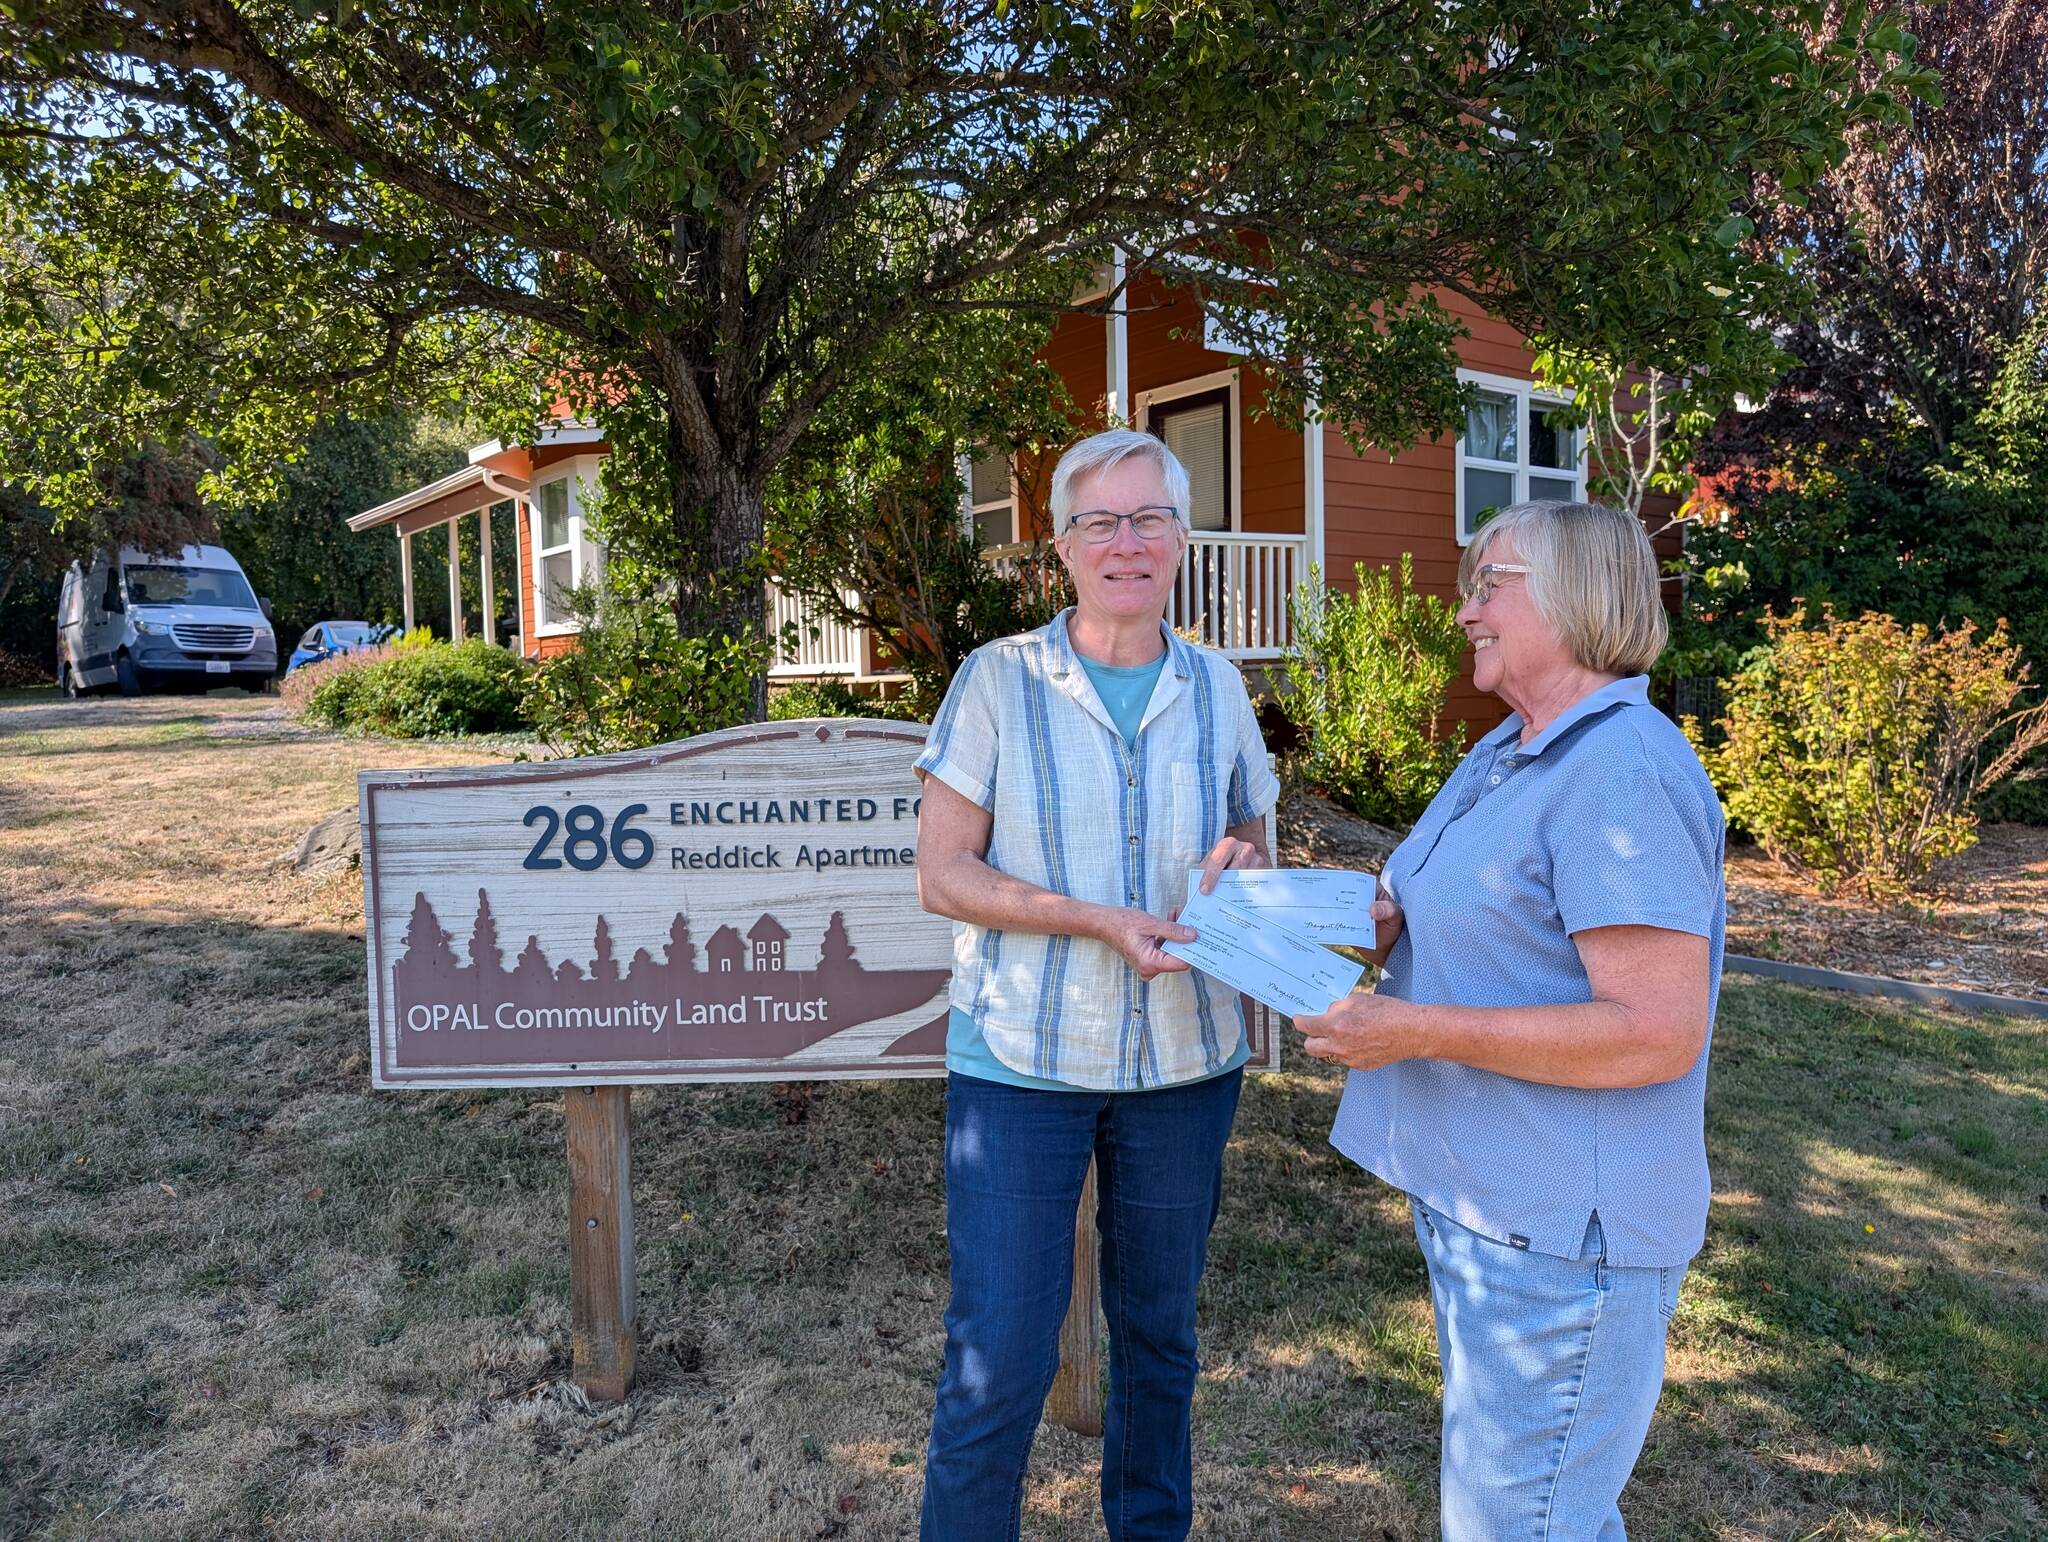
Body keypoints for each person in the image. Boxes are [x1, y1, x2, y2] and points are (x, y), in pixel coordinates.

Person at [1292, 499, 1725, 1540]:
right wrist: (1266, 907)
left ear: (1576, 597)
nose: (1464, 612)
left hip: (1559, 1238)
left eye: (1489, 585)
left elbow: (1655, 1030)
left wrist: (1415, 1029)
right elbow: (1427, 908)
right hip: (1485, 1203)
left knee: (1519, 1523)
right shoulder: (1513, 748)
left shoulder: (1619, 771)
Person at [912, 429, 1278, 1540]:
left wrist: (1245, 868)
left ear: (1181, 538)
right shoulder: (997, 680)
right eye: (1100, 522)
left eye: (1149, 518)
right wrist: (1094, 919)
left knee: (1160, 1343)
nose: (1127, 543)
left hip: (1184, 1060)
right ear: (1062, 546)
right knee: (998, 1355)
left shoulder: (1219, 688)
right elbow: (942, 875)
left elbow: (1254, 838)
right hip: (1021, 1060)